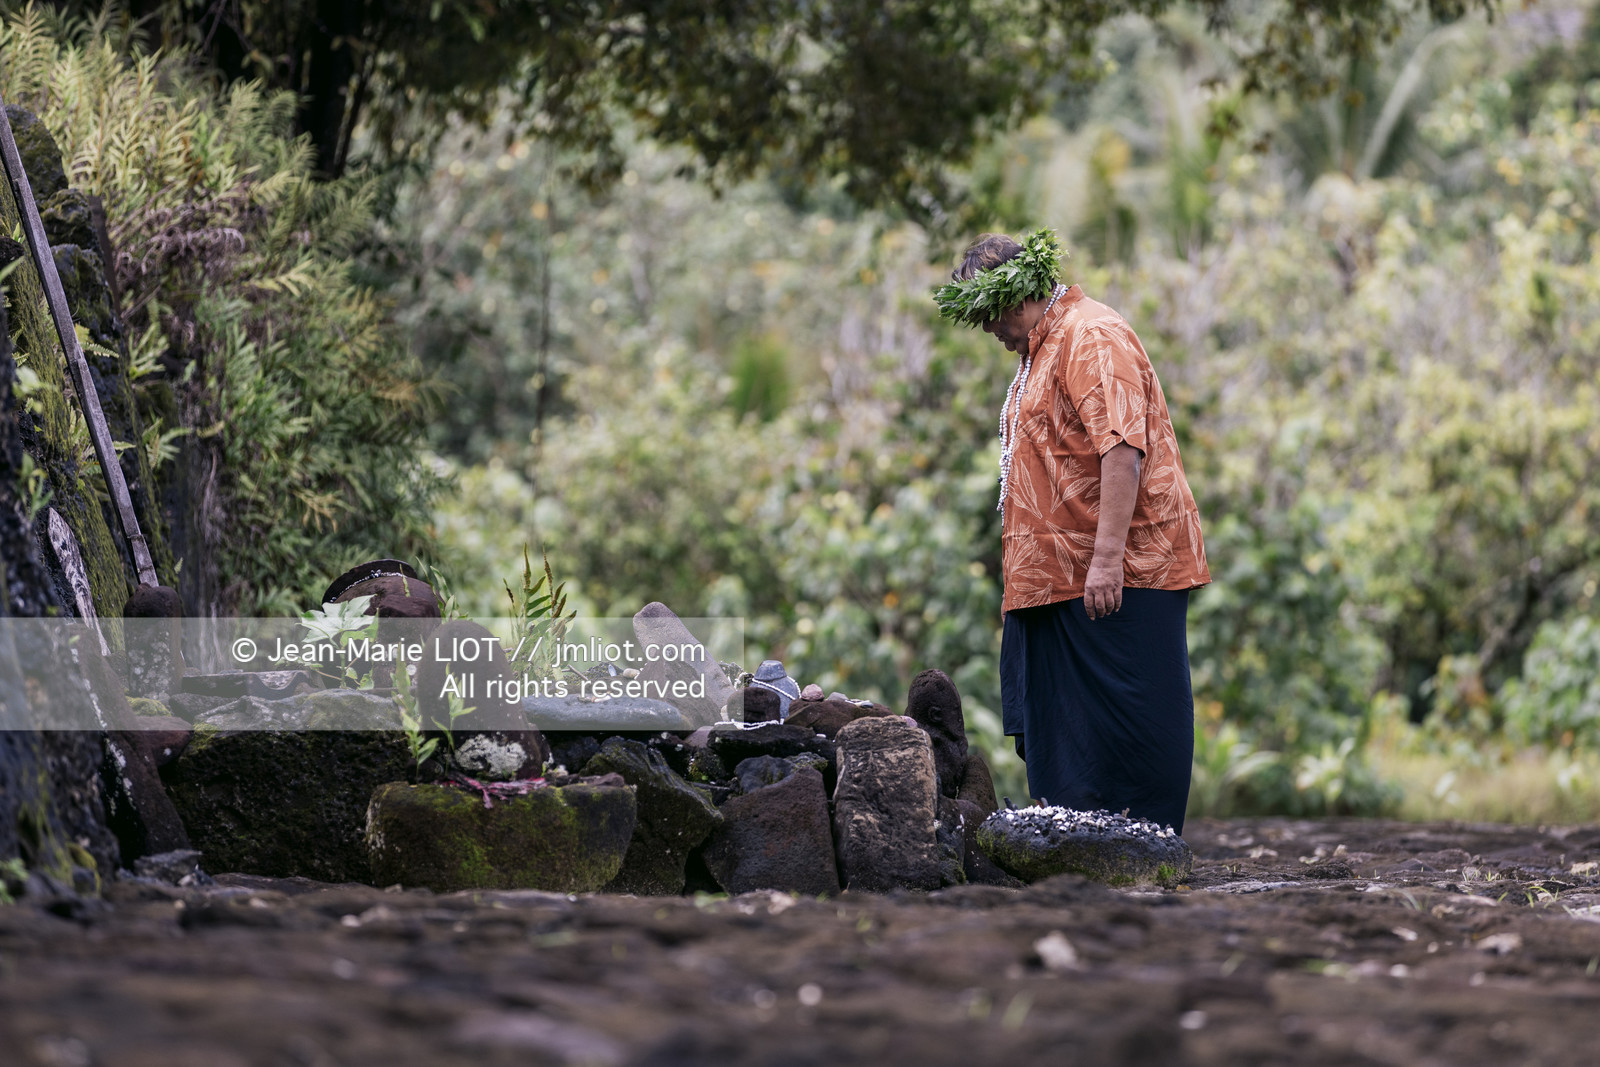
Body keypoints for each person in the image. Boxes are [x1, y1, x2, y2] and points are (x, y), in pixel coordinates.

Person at [933, 229, 1210, 832]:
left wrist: (1107, 559)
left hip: (1121, 572)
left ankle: (1144, 844)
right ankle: (1078, 843)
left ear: (1016, 298)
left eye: (989, 318)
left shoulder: (1092, 335)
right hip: (1058, 577)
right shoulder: (1045, 346)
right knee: (1067, 722)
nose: (990, 333)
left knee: (1131, 715)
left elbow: (1122, 450)